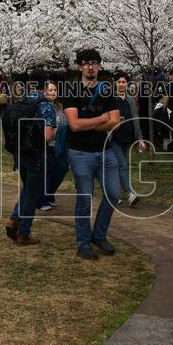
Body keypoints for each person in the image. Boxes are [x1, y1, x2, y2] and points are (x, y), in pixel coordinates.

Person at [62, 48, 121, 260]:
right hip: (80, 153)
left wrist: (91, 124)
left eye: (94, 63)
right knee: (85, 200)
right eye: (86, 63)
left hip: (106, 152)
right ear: (79, 66)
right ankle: (83, 243)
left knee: (114, 194)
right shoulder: (71, 90)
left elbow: (116, 122)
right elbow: (74, 125)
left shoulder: (107, 90)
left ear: (99, 66)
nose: (90, 67)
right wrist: (101, 119)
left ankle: (99, 235)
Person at [5, 74, 57, 244]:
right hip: (36, 155)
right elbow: (48, 136)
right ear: (45, 86)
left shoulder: (22, 102)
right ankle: (24, 233)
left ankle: (14, 220)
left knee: (28, 188)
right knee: (32, 194)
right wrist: (58, 131)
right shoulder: (46, 105)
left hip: (19, 153)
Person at [111, 73, 147, 206]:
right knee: (122, 165)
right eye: (119, 82)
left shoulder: (130, 99)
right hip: (114, 137)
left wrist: (140, 139)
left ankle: (114, 193)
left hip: (127, 137)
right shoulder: (111, 98)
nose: (121, 84)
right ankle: (130, 194)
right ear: (115, 83)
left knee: (119, 165)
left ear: (127, 83)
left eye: (124, 82)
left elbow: (135, 119)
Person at [39, 80, 69, 209]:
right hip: (45, 144)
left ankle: (50, 194)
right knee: (47, 173)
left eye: (55, 90)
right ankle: (42, 200)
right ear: (44, 91)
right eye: (50, 90)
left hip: (60, 145)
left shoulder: (60, 106)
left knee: (61, 171)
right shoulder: (41, 106)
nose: (53, 92)